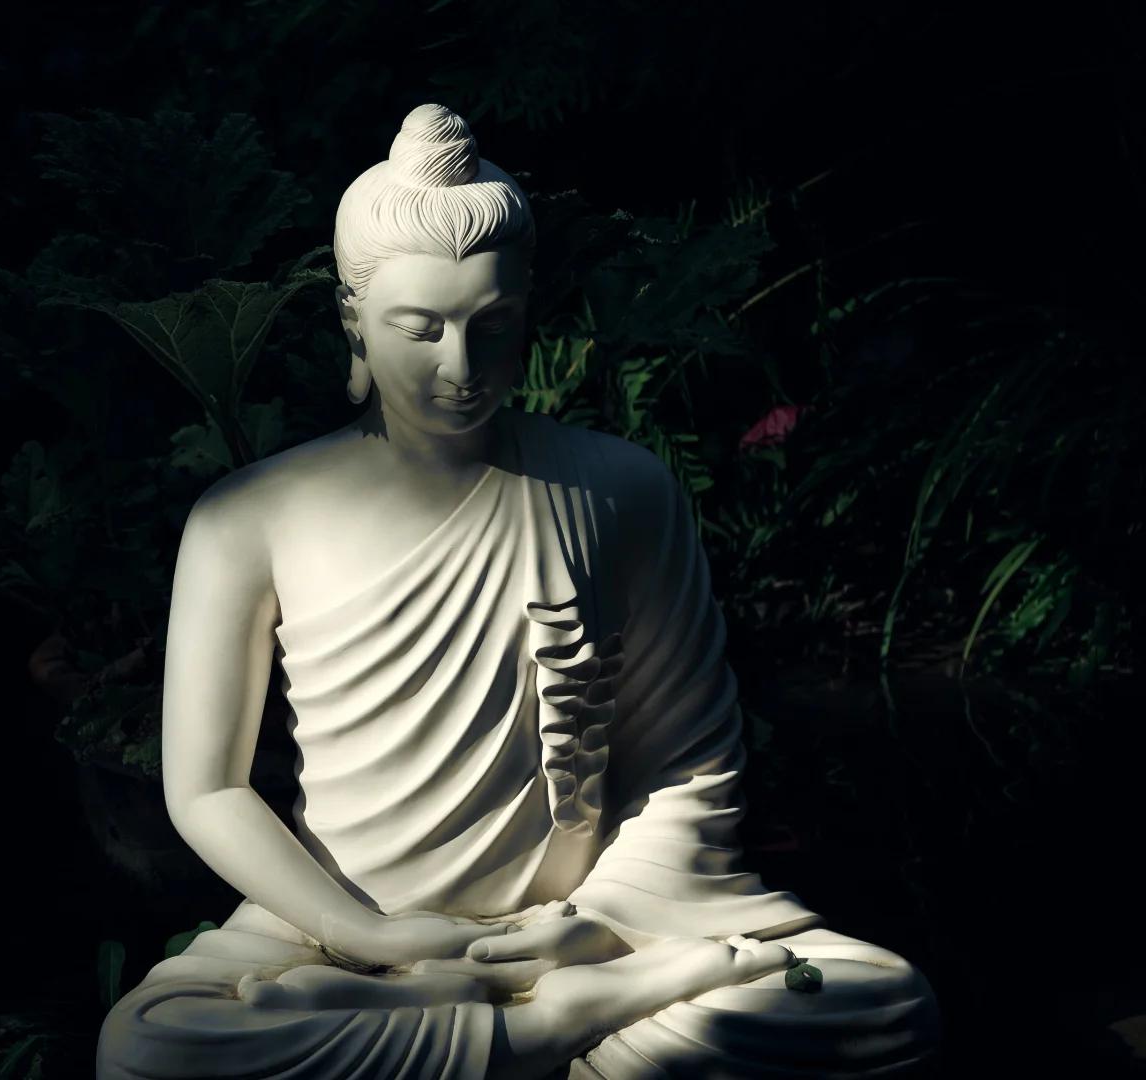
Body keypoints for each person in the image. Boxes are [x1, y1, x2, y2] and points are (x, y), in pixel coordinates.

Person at [96, 104, 940, 1079]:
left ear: (526, 313)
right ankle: (562, 1029)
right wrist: (363, 932)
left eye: (489, 326)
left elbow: (688, 764)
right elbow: (205, 788)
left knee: (880, 1004)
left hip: (589, 925)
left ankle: (547, 1009)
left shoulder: (619, 490)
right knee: (150, 1053)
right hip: (339, 930)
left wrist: (592, 927)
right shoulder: (250, 516)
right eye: (420, 330)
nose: (459, 367)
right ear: (354, 324)